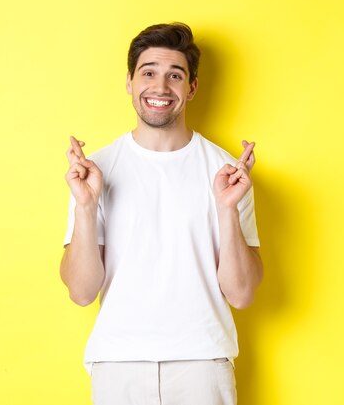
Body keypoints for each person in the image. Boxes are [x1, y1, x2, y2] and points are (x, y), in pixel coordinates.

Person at [60, 22, 263, 405]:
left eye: (175, 75)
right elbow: (81, 291)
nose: (160, 87)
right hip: (118, 364)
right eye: (148, 73)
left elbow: (241, 293)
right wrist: (85, 207)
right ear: (129, 82)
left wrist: (227, 209)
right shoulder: (96, 170)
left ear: (192, 87)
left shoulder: (226, 173)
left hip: (203, 363)